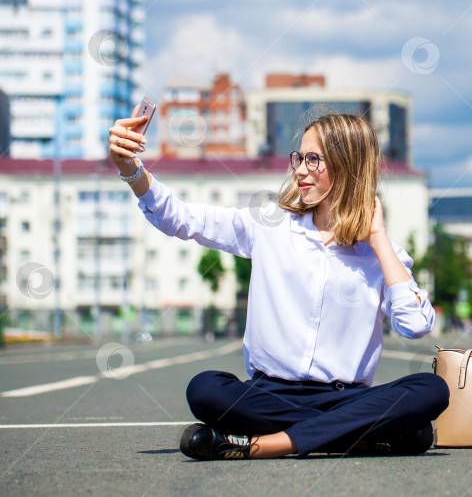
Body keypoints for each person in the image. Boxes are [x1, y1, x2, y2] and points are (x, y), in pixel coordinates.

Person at [108, 107, 450, 460]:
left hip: (345, 396)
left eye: (313, 159)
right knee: (206, 389)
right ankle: (354, 437)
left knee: (430, 389)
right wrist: (131, 169)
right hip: (269, 396)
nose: (300, 170)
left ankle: (270, 444)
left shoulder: (383, 254)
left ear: (348, 166)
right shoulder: (269, 225)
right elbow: (181, 218)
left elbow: (416, 325)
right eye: (299, 158)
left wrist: (378, 239)